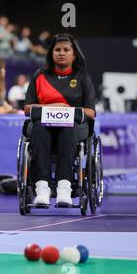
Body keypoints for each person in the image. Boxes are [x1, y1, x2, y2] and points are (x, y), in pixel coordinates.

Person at [24, 33, 96, 206]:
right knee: (39, 129)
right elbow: (27, 108)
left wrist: (69, 111)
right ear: (51, 53)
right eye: (57, 49)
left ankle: (65, 186)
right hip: (43, 125)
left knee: (68, 129)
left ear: (74, 54)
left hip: (72, 127)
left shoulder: (82, 77)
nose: (61, 53)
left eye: (66, 49)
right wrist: (53, 109)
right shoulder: (39, 76)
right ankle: (42, 187)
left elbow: (91, 112)